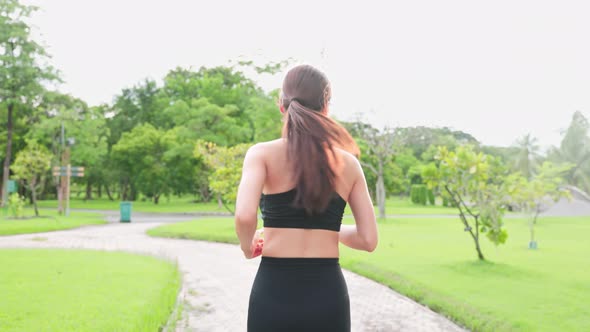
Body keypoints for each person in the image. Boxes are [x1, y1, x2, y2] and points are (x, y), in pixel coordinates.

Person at [235, 64, 378, 332]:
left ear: (281, 105)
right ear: (326, 107)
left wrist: (247, 246)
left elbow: (244, 216)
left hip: (273, 294)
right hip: (328, 296)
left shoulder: (261, 154)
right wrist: (325, 233)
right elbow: (368, 240)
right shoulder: (348, 164)